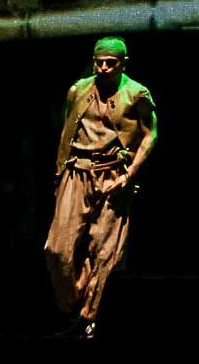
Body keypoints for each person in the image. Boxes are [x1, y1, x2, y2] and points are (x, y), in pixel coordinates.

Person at [44, 36, 158, 338]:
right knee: (57, 249)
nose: (104, 68)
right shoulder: (78, 90)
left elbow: (151, 134)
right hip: (77, 171)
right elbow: (66, 131)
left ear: (124, 64)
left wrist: (130, 175)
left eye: (111, 63)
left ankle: (89, 317)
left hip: (113, 175)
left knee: (106, 252)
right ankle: (73, 305)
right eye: (99, 62)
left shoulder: (136, 93)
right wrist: (59, 173)